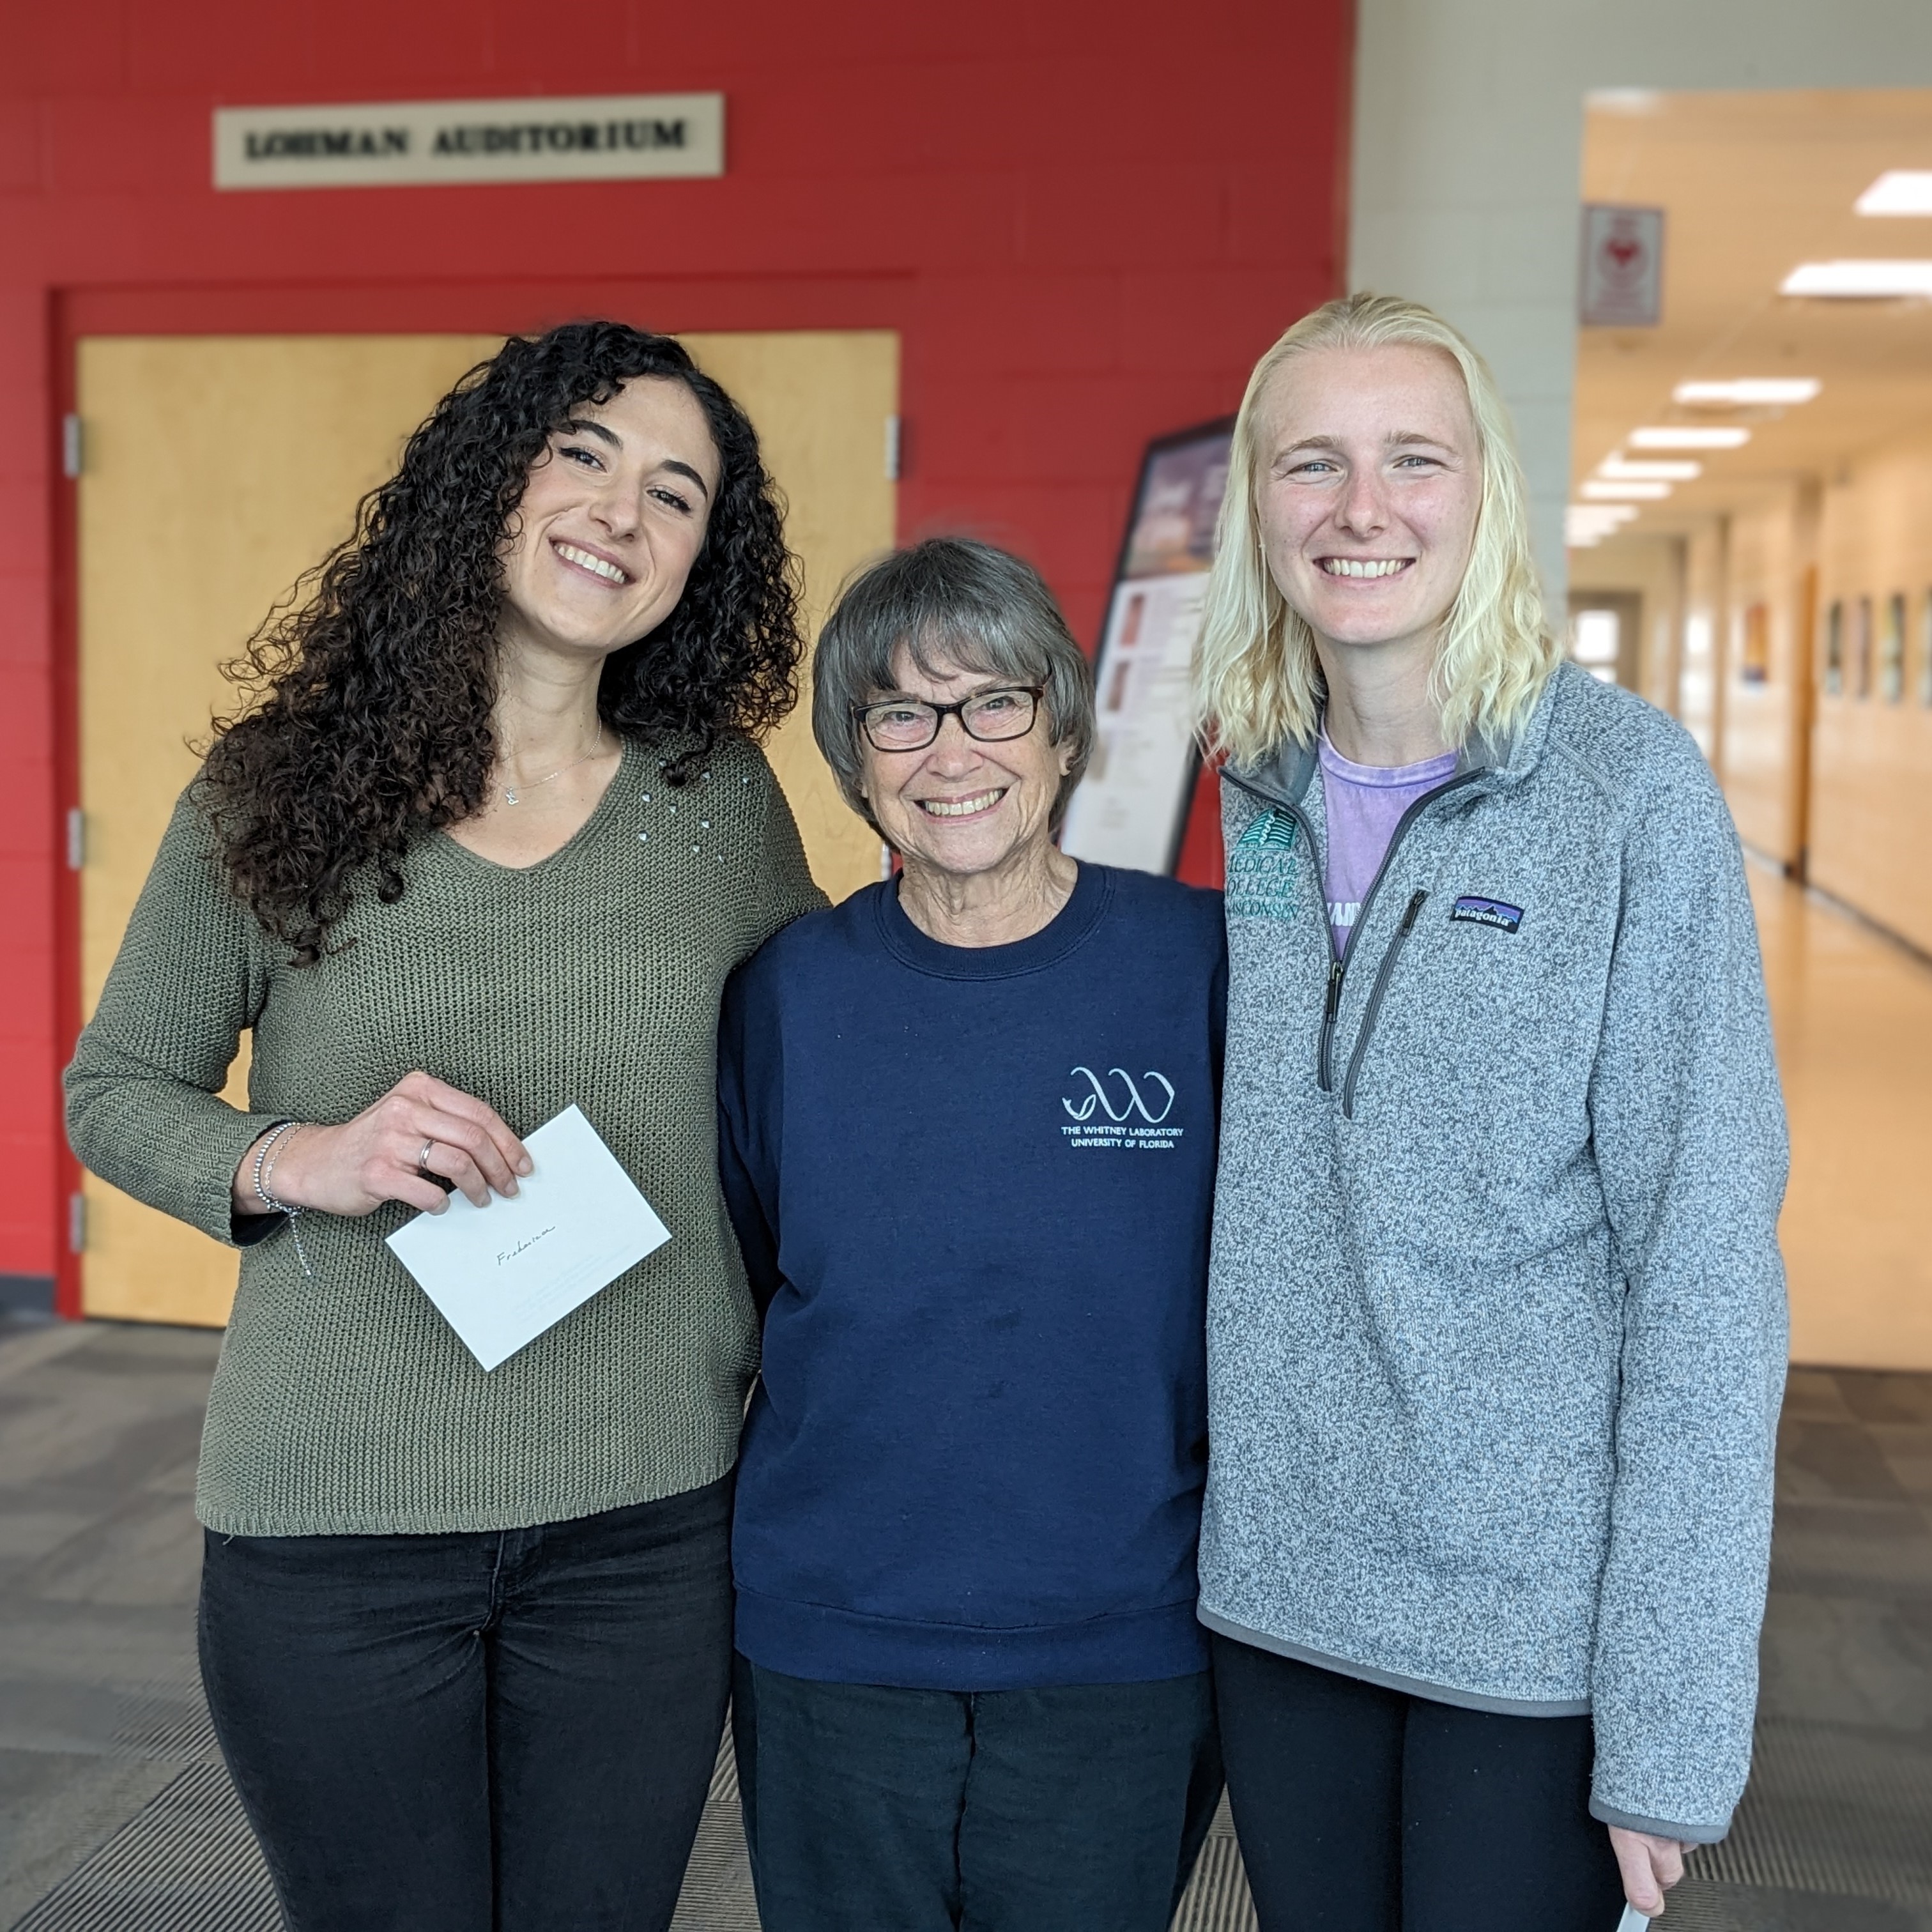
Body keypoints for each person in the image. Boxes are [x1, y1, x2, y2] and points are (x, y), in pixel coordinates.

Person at [64, 321, 824, 1932]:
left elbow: (820, 1077)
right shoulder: (275, 791)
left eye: (677, 493)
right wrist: (295, 1158)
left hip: (647, 1522)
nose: (623, 510)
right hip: (334, 1528)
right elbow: (114, 1089)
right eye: (585, 453)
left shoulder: (716, 804)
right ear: (491, 479)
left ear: (704, 558)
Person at [1190, 293, 1788, 1931]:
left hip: (1529, 1640)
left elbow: (1710, 1274)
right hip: (1280, 1602)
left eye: (1412, 459)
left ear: (1485, 494)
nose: (1360, 509)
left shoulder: (1624, 795)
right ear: (1258, 507)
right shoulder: (1247, 789)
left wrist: (1671, 1716)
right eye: (1311, 463)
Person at [716, 537, 1227, 1932]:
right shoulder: (785, 998)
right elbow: (763, 1275)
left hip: (1121, 1626)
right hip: (834, 1626)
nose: (952, 752)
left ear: (1063, 729)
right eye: (900, 714)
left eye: (996, 702)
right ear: (855, 758)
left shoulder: (1201, 966)